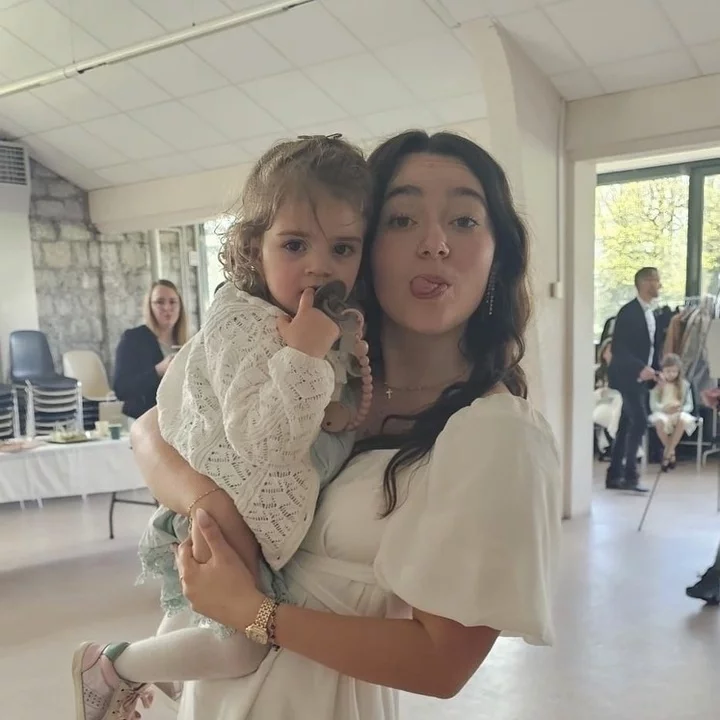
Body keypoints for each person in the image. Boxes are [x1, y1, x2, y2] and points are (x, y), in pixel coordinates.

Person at [131, 130, 562, 720]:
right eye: (402, 219)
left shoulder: (496, 433)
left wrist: (252, 612)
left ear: (498, 255)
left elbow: (442, 664)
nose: (434, 243)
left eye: (463, 221)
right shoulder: (315, 361)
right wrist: (210, 505)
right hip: (218, 698)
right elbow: (151, 430)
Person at [72, 136, 374, 719]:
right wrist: (306, 356)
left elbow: (326, 415)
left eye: (343, 248)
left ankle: (151, 669)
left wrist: (338, 393)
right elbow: (264, 439)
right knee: (240, 647)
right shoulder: (244, 323)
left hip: (241, 519)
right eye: (295, 244)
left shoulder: (313, 321)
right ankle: (112, 666)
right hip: (228, 511)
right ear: (254, 247)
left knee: (195, 619)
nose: (320, 265)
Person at [606, 267, 662, 491]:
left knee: (626, 425)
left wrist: (655, 371)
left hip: (642, 379)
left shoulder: (650, 313)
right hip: (627, 377)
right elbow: (620, 349)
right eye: (656, 280)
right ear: (645, 283)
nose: (660, 285)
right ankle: (630, 474)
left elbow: (651, 348)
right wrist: (640, 368)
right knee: (639, 421)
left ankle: (614, 475)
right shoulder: (628, 312)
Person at [113, 280, 188, 419]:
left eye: (173, 302)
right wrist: (158, 370)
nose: (167, 307)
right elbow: (121, 389)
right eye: (160, 302)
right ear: (150, 306)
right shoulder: (132, 339)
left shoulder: (188, 342)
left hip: (178, 418)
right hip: (143, 419)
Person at [648, 353, 696, 471]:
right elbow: (653, 404)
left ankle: (667, 454)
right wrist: (664, 409)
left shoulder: (685, 385)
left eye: (674, 371)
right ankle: (671, 453)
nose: (671, 374)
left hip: (678, 412)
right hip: (662, 412)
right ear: (663, 371)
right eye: (668, 371)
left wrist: (680, 409)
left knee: (682, 420)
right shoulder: (657, 385)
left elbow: (689, 405)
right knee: (659, 422)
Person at [593, 338, 622, 459]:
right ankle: (613, 442)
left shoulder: (622, 371)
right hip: (600, 403)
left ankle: (610, 444)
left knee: (619, 404)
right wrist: (600, 392)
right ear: (603, 353)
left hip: (616, 403)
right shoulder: (597, 372)